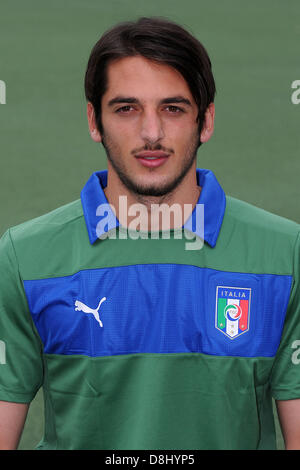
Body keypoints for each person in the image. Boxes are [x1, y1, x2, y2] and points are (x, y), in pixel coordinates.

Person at [0, 16, 300, 451]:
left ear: (206, 121)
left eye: (172, 109)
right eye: (126, 109)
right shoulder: (24, 258)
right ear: (94, 121)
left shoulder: (284, 253)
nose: (152, 133)